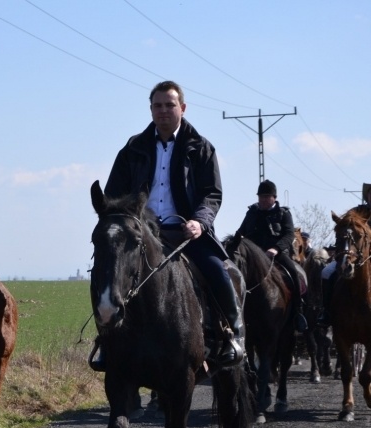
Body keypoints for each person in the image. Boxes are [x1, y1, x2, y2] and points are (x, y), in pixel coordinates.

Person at [95, 80, 244, 371]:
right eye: (157, 106)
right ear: (151, 109)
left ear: (182, 108)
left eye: (169, 105)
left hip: (187, 233)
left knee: (218, 271)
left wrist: (200, 222)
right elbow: (114, 193)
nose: (163, 111)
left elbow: (212, 194)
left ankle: (231, 336)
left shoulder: (201, 148)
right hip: (141, 233)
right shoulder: (132, 149)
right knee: (106, 271)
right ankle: (106, 341)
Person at [235, 180, 308, 333]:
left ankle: (298, 312)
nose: (262, 200)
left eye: (266, 197)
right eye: (261, 196)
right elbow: (241, 231)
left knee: (294, 273)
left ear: (274, 197)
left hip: (276, 254)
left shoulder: (283, 213)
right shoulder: (252, 212)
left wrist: (276, 249)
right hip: (253, 256)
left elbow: (289, 235)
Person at [317, 182, 371, 326]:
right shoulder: (356, 212)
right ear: (367, 196)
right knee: (326, 272)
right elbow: (344, 229)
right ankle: (326, 311)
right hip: (352, 255)